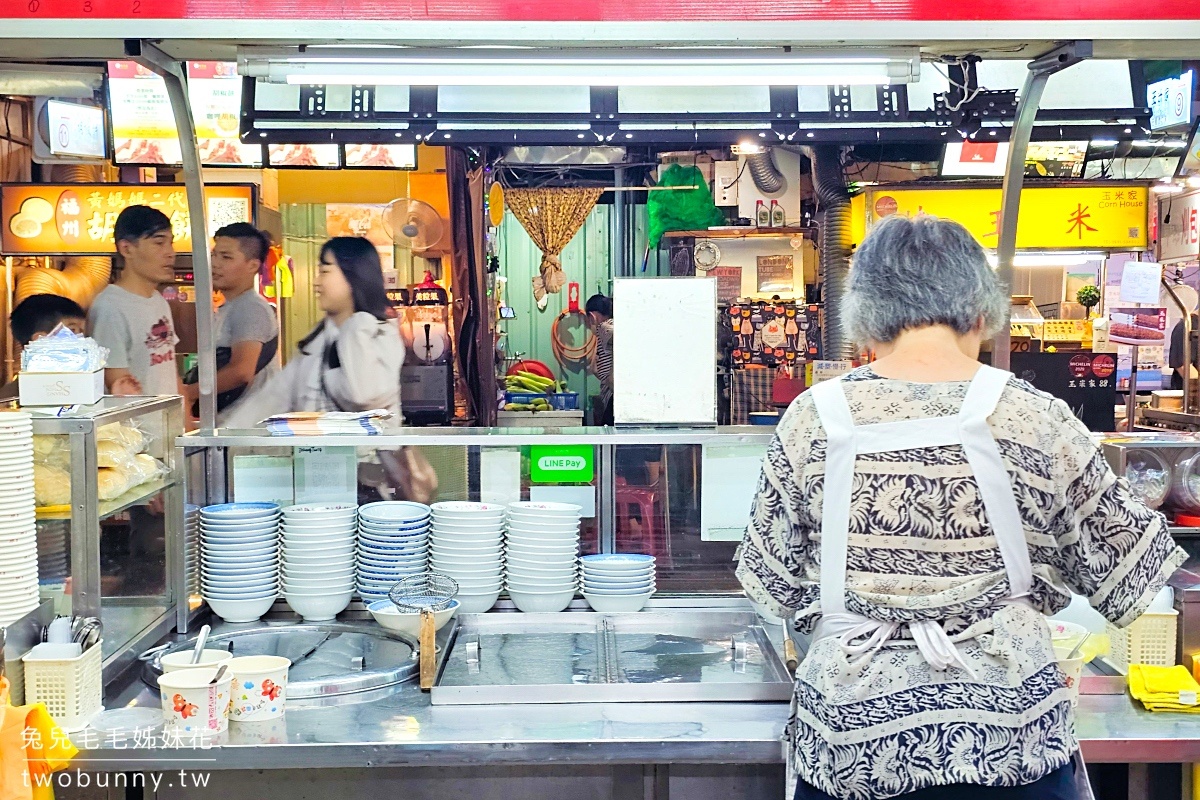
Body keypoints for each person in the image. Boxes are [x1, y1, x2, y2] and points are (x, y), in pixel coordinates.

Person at [737, 214, 1186, 800]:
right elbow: (1128, 578)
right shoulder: (1036, 416)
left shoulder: (811, 419)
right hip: (1010, 743)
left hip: (852, 749)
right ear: (981, 310)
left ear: (867, 317)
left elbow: (771, 585)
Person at [182, 223, 279, 424]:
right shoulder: (232, 306)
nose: (215, 264)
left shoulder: (250, 308)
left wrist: (190, 393)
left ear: (252, 265)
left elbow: (242, 371)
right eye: (214, 255)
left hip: (246, 430)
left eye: (226, 257)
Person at [87, 205, 182, 398]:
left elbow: (170, 373)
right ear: (127, 248)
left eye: (171, 243)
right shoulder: (109, 307)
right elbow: (118, 384)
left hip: (169, 424)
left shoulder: (158, 301)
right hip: (139, 427)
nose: (170, 253)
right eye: (159, 243)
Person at [1, 294, 87, 401]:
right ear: (39, 341)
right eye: (72, 331)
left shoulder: (87, 388)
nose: (81, 341)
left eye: (83, 334)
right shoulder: (8, 403)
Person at [586, 293, 614, 425]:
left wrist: (612, 376)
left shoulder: (604, 327)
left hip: (612, 396)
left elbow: (626, 337)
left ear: (592, 316)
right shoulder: (602, 334)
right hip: (609, 394)